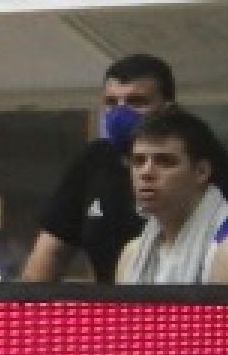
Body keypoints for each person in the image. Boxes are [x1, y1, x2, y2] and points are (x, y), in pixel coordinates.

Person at [21, 53, 172, 283]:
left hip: (179, 301)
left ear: (168, 109)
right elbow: (49, 253)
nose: (120, 113)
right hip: (108, 302)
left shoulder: (194, 160)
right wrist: (26, 304)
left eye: (136, 102)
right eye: (111, 103)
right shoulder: (95, 160)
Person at [115, 107, 228, 285]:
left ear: (201, 172)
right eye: (138, 161)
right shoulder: (131, 255)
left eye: (165, 161)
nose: (146, 172)